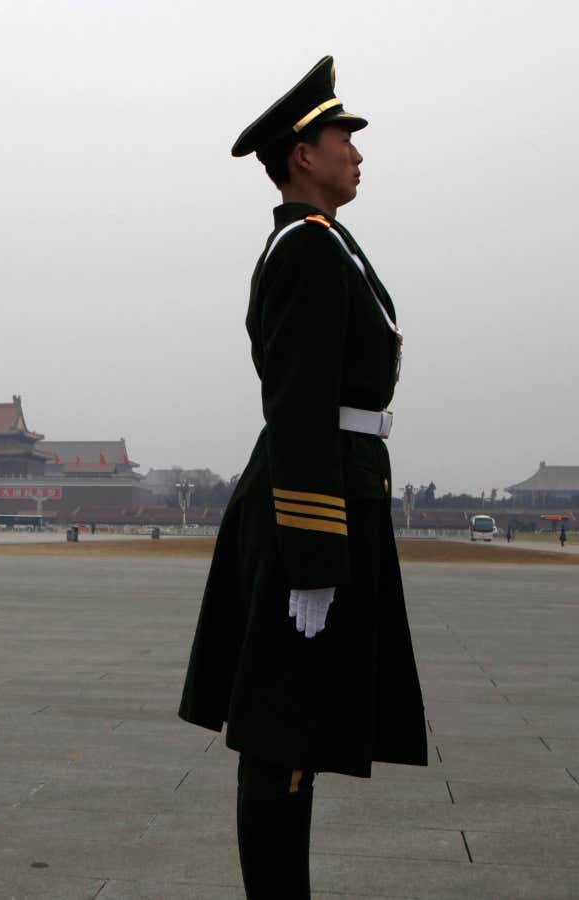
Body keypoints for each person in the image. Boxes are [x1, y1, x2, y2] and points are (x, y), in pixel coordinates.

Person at [178, 56, 426, 899]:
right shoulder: (307, 254)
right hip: (309, 505)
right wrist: (313, 557)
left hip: (335, 488)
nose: (356, 153)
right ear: (300, 156)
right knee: (282, 727)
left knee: (301, 725)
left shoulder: (326, 245)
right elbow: (298, 405)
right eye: (339, 139)